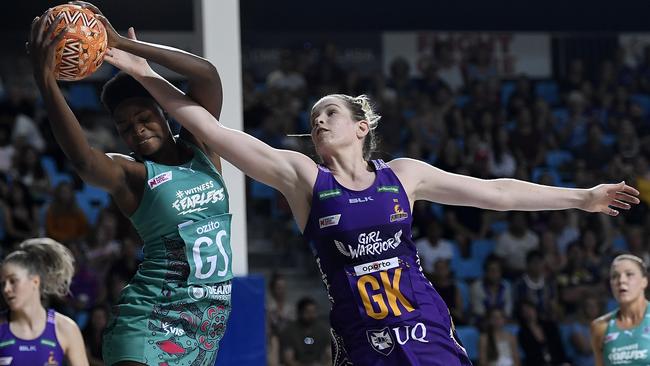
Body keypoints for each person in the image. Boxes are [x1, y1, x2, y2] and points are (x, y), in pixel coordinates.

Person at [106, 28, 640, 366]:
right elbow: (212, 130)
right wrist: (145, 73)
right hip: (362, 339)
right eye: (312, 117)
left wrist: (583, 196)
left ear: (361, 126)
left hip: (424, 326)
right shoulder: (302, 178)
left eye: (329, 112)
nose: (317, 120)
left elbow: (497, 192)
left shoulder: (403, 175)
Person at [28, 2, 233, 365]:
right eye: (124, 127)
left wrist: (125, 46)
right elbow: (83, 160)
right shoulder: (133, 174)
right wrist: (47, 83)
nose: (136, 128)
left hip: (202, 331)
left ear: (163, 113)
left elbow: (207, 75)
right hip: (147, 323)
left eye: (144, 117)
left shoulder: (201, 146)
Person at [0, 238, 88, 365]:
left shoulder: (66, 328)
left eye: (13, 281)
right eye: (2, 284)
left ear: (35, 281)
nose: (6, 289)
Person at [591, 254, 650, 366]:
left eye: (629, 274)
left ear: (644, 281)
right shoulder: (600, 327)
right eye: (615, 276)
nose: (621, 281)